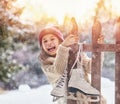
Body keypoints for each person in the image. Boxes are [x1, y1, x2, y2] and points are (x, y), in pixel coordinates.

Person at [38, 26, 106, 104]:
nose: (49, 43)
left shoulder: (75, 53)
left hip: (88, 101)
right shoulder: (46, 64)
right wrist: (63, 47)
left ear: (60, 41)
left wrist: (99, 51)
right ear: (42, 46)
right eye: (45, 41)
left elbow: (93, 69)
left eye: (52, 39)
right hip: (68, 101)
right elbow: (59, 70)